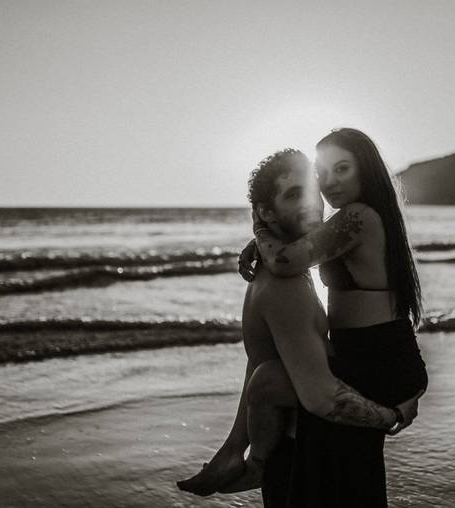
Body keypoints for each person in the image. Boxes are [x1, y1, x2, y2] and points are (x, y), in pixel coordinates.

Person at [176, 149, 423, 506]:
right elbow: (294, 382)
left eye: (312, 190)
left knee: (269, 379)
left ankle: (254, 463)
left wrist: (236, 447)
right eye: (294, 194)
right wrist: (392, 417)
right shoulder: (285, 283)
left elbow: (277, 374)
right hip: (322, 440)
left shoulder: (292, 265)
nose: (311, 202)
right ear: (267, 211)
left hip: (329, 421)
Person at [239, 128, 429, 507]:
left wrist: (259, 228)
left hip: (379, 361)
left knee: (272, 385)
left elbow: (285, 260)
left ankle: (256, 466)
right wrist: (261, 239)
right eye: (322, 173)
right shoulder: (350, 219)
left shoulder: (358, 216)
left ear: (365, 169)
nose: (330, 182)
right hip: (368, 357)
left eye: (342, 168)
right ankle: (257, 464)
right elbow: (299, 245)